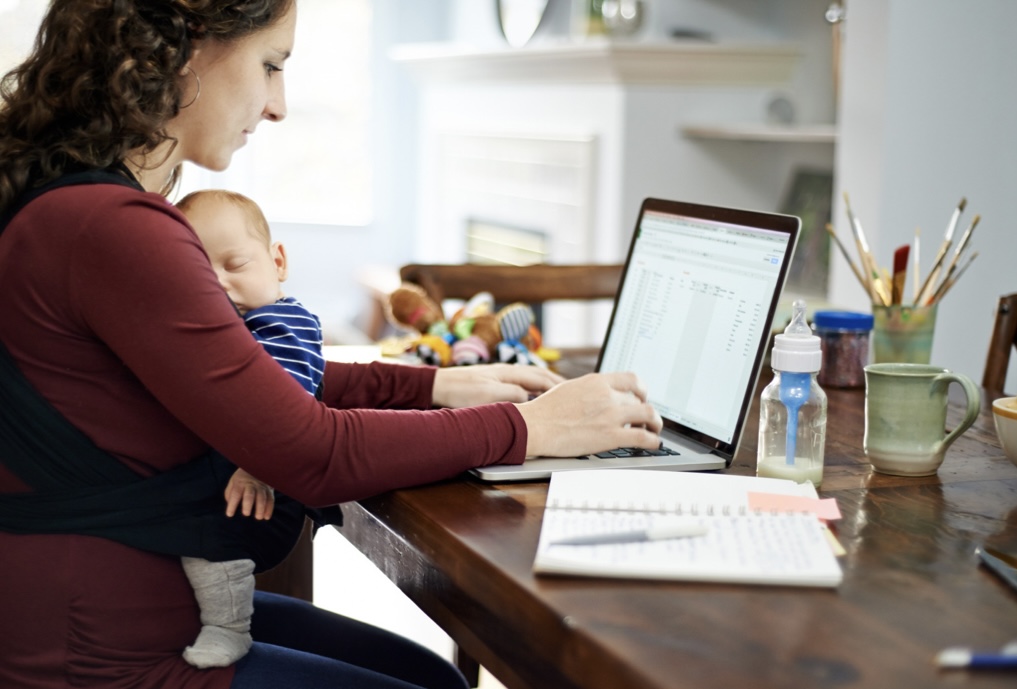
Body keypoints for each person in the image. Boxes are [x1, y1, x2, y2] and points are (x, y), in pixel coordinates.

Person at [0, 1, 663, 688]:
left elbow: (244, 378)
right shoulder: (112, 226)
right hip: (102, 656)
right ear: (187, 48)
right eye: (271, 65)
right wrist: (530, 427)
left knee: (432, 676)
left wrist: (437, 386)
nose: (278, 105)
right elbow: (310, 452)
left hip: (134, 614)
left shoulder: (72, 204)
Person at [175, 188, 324, 668]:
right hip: (236, 474)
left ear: (277, 261)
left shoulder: (283, 323)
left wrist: (258, 465)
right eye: (199, 275)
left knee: (208, 544)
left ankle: (229, 628)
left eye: (235, 264)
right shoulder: (223, 329)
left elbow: (286, 403)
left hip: (263, 484)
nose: (218, 283)